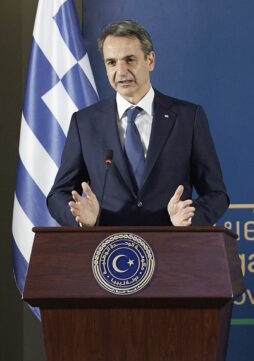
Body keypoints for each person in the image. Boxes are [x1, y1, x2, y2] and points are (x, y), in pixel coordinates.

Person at [47, 20, 229, 227]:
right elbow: (57, 195)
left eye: (130, 60)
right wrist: (82, 220)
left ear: (150, 60)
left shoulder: (188, 117)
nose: (121, 71)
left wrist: (189, 220)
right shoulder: (85, 123)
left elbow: (216, 194)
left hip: (171, 244)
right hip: (107, 245)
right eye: (111, 62)